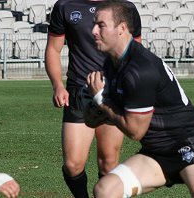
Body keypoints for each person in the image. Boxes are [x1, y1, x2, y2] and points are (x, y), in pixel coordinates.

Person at [87, 2, 194, 197]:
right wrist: (93, 107)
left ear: (121, 28)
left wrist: (101, 101)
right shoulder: (112, 63)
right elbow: (93, 118)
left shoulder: (140, 70)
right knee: (105, 190)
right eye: (94, 24)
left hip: (189, 142)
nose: (93, 30)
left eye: (101, 25)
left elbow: (135, 131)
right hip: (157, 151)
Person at [44, 0, 141, 197]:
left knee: (108, 163)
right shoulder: (65, 6)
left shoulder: (126, 7)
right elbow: (54, 49)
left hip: (114, 93)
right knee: (73, 164)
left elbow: (136, 52)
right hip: (79, 92)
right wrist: (58, 85)